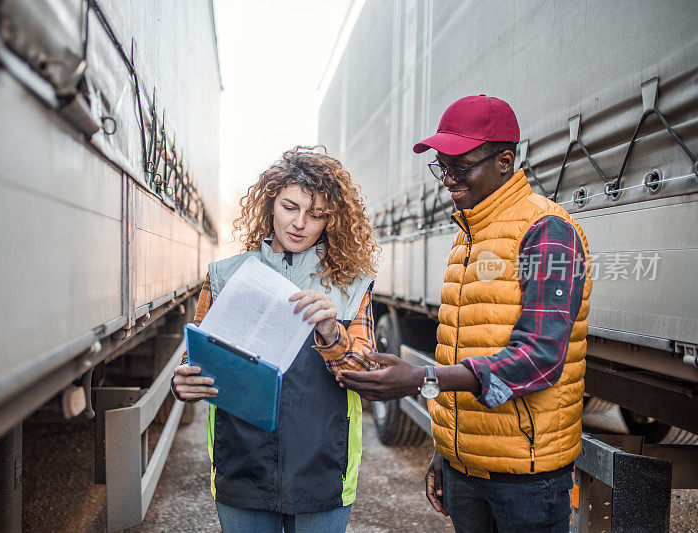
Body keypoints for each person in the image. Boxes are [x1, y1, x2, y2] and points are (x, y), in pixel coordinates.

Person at [337, 95, 592, 532]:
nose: (448, 180)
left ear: (505, 161)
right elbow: (467, 346)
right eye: (442, 167)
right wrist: (447, 450)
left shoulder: (547, 231)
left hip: (525, 480)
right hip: (466, 470)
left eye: (460, 166)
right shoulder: (467, 236)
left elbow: (539, 357)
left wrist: (421, 379)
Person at [171, 146, 380, 532]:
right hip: (241, 466)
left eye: (316, 214)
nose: (300, 223)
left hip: (323, 469)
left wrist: (332, 334)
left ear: (330, 222)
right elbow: (195, 359)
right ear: (270, 205)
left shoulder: (351, 286)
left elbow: (368, 376)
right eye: (290, 207)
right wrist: (184, 380)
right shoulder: (226, 276)